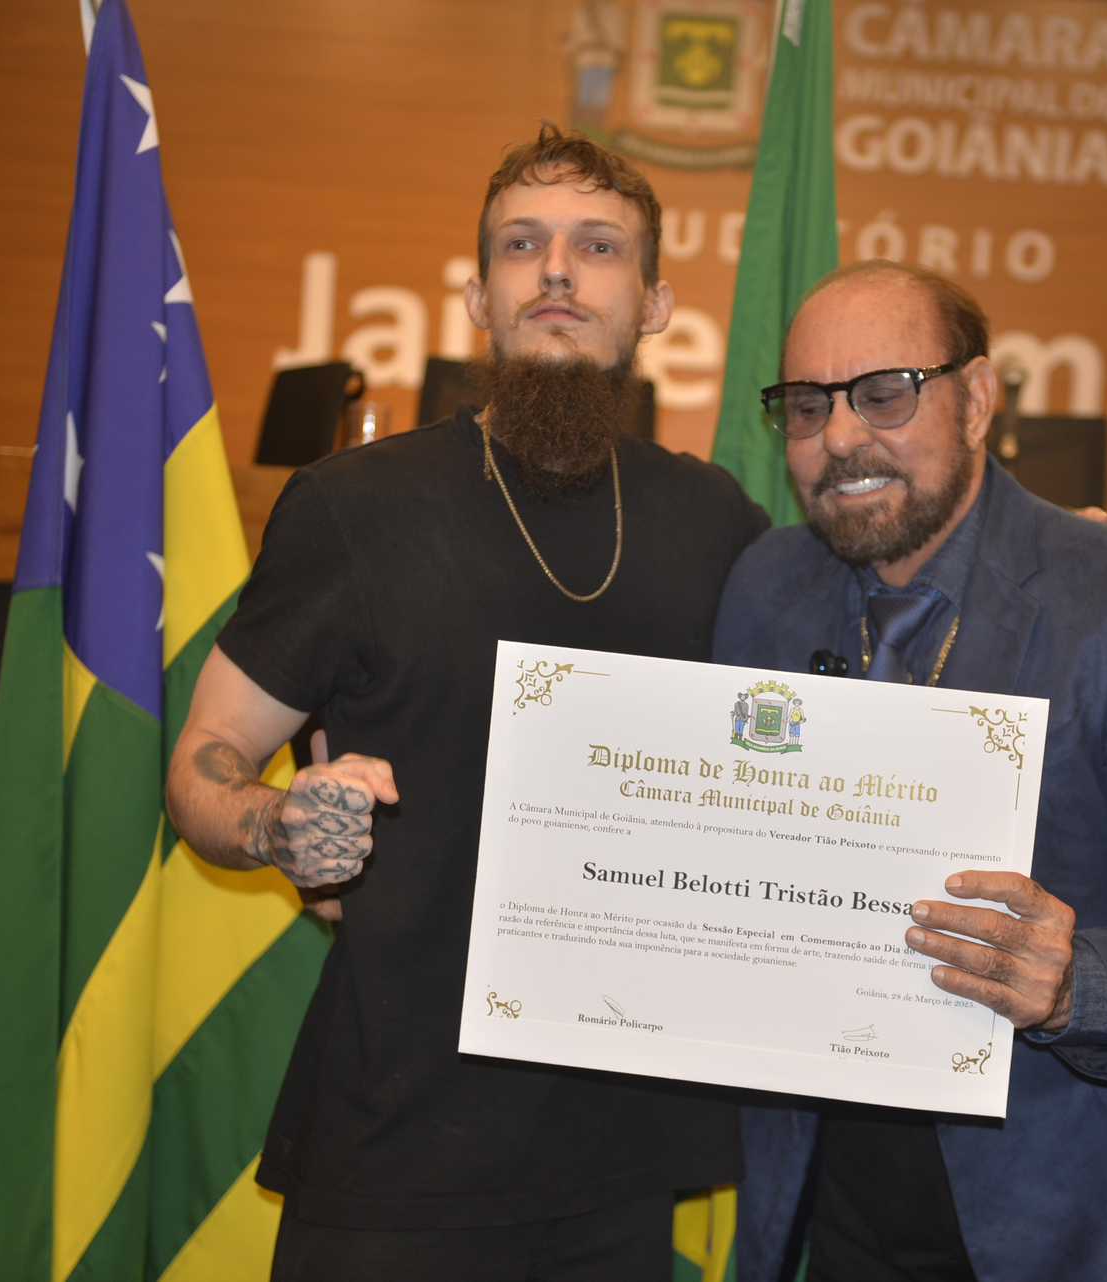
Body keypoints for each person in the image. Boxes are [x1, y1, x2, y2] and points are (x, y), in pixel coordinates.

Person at [165, 124, 767, 1281]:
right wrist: (277, 824)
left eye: (599, 247)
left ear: (654, 304)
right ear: (477, 296)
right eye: (521, 245)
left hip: (620, 1166)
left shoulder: (718, 524)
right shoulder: (354, 507)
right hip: (396, 1153)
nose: (557, 271)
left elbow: (835, 722)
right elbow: (208, 754)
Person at [712, 261, 1107, 1281]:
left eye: (884, 393)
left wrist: (1076, 985)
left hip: (1090, 1217)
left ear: (978, 398)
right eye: (807, 406)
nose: (841, 436)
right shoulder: (767, 585)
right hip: (846, 1201)